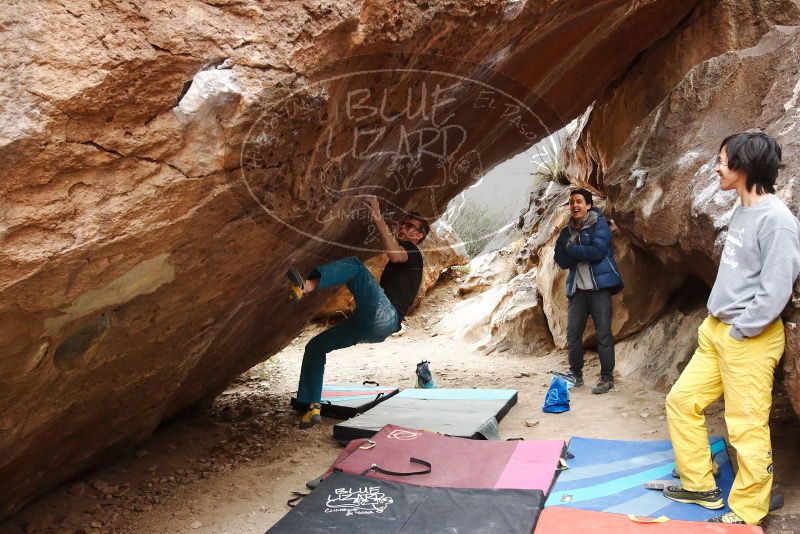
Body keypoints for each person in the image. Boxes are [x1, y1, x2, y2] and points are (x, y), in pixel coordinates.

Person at [663, 132, 800, 525]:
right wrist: (720, 325)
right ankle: (699, 483)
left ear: (743, 167)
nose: (717, 166)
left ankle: (748, 510)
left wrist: (743, 329)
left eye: (722, 160)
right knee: (681, 401)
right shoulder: (744, 211)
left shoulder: (778, 222)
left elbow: (776, 287)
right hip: (717, 331)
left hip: (748, 338)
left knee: (745, 427)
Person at [287, 195, 428, 428]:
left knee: (354, 265)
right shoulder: (405, 251)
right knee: (315, 347)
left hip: (386, 316)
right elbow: (393, 252)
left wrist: (377, 217)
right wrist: (390, 231)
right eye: (402, 223)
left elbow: (395, 254)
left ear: (419, 235)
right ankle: (310, 406)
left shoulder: (413, 251)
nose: (404, 228)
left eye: (410, 226)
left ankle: (306, 286)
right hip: (370, 324)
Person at [554, 188, 624, 394]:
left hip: (598, 288)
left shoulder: (599, 224)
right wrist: (575, 251)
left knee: (603, 333)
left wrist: (572, 249)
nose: (574, 205)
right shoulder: (566, 232)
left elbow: (597, 252)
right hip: (577, 289)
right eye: (571, 202)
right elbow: (561, 260)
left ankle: (606, 378)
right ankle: (576, 374)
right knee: (573, 334)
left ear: (589, 205)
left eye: (579, 202)